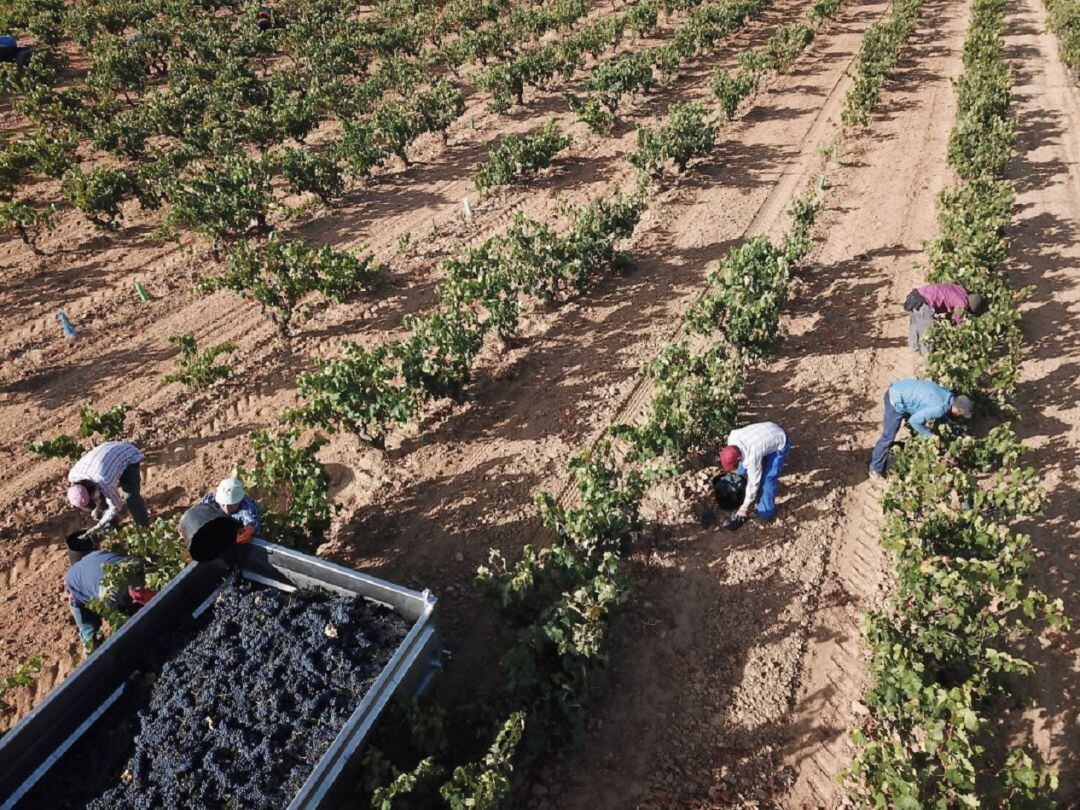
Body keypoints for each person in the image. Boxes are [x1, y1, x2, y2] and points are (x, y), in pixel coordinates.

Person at [869, 378, 973, 479]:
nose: (959, 415)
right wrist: (931, 436)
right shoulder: (939, 409)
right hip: (895, 400)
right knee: (888, 436)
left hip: (902, 388)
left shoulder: (947, 394)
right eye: (961, 414)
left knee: (919, 425)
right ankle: (875, 469)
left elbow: (935, 404)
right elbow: (914, 421)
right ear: (957, 410)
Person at [65, 550, 155, 653]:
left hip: (93, 561)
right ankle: (93, 661)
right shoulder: (111, 594)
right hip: (75, 587)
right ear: (135, 599)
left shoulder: (138, 565)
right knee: (91, 634)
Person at [67, 441, 149, 538]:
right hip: (105, 452)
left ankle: (144, 530)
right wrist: (97, 508)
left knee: (131, 497)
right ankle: (113, 528)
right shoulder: (73, 475)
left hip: (126, 454)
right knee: (98, 505)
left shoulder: (104, 481)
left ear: (93, 492)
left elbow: (115, 507)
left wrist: (97, 527)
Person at [718, 421, 790, 530]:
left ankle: (766, 511)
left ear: (738, 458)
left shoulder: (752, 457)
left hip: (780, 440)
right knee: (742, 470)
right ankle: (743, 486)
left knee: (767, 479)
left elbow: (754, 482)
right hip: (767, 429)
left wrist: (744, 507)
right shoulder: (732, 437)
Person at [903, 283, 986, 359]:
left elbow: (946, 298)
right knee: (928, 333)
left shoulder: (959, 290)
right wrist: (961, 329)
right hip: (924, 304)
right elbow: (958, 318)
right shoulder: (963, 303)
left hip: (916, 295)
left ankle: (913, 346)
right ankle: (926, 359)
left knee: (915, 324)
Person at [199, 472, 260, 543]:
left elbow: (251, 524)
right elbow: (198, 512)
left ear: (239, 501)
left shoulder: (248, 508)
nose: (226, 508)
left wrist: (248, 531)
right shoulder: (209, 499)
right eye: (223, 505)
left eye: (231, 505)